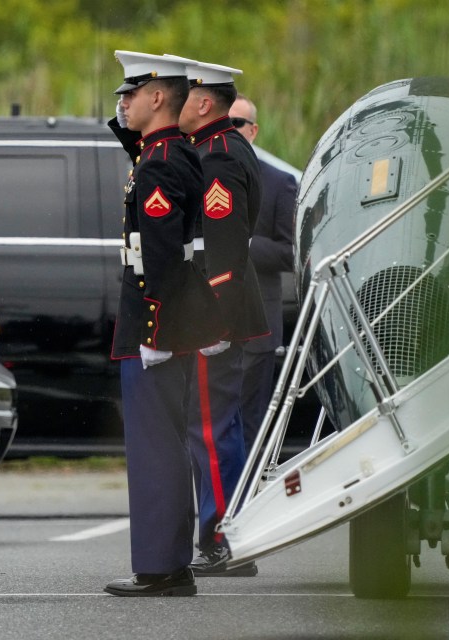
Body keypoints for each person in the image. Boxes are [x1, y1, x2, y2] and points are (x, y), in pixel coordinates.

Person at [103, 51, 225, 597]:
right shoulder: (168, 152)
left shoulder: (161, 161)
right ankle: (167, 562)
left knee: (156, 448)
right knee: (164, 443)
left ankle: (161, 568)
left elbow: (162, 255)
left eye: (130, 95)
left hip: (153, 323)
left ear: (157, 97)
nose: (121, 104)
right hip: (165, 321)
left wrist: (153, 334)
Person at [177, 60, 268, 577]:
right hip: (219, 311)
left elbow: (225, 250)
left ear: (205, 102)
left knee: (212, 430)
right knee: (212, 426)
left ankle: (223, 538)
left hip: (217, 313)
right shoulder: (221, 148)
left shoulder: (218, 156)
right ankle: (222, 534)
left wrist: (214, 320)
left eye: (184, 96)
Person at [228, 95, 297, 452]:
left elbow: (291, 252)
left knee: (250, 424)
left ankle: (249, 500)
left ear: (253, 131)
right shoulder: (205, 177)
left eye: (237, 123)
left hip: (257, 326)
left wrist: (245, 246)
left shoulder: (279, 183)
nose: (229, 130)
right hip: (212, 326)